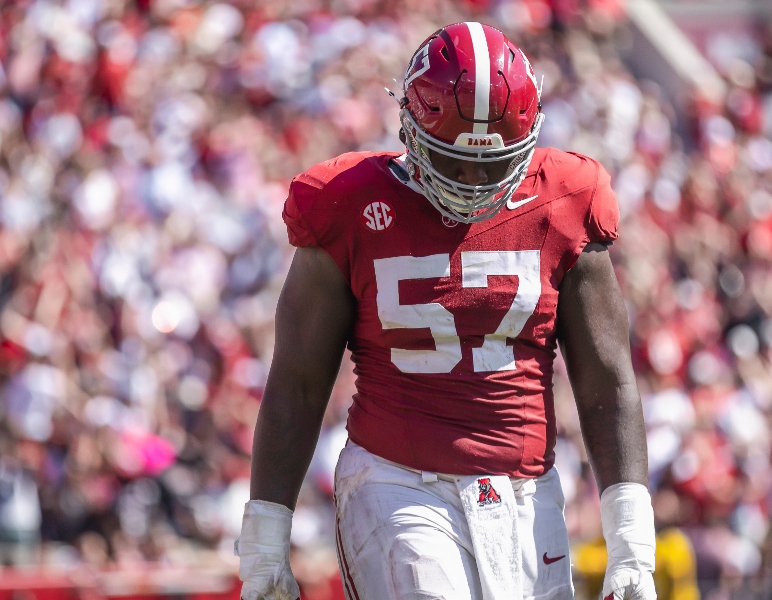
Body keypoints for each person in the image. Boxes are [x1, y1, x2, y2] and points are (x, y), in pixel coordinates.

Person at [234, 22, 656, 600]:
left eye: (490, 164)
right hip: (396, 481)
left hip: (526, 491)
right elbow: (298, 384)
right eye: (452, 160)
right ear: (409, 126)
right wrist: (263, 541)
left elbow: (607, 379)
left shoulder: (565, 200)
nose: (472, 181)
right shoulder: (351, 203)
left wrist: (632, 542)